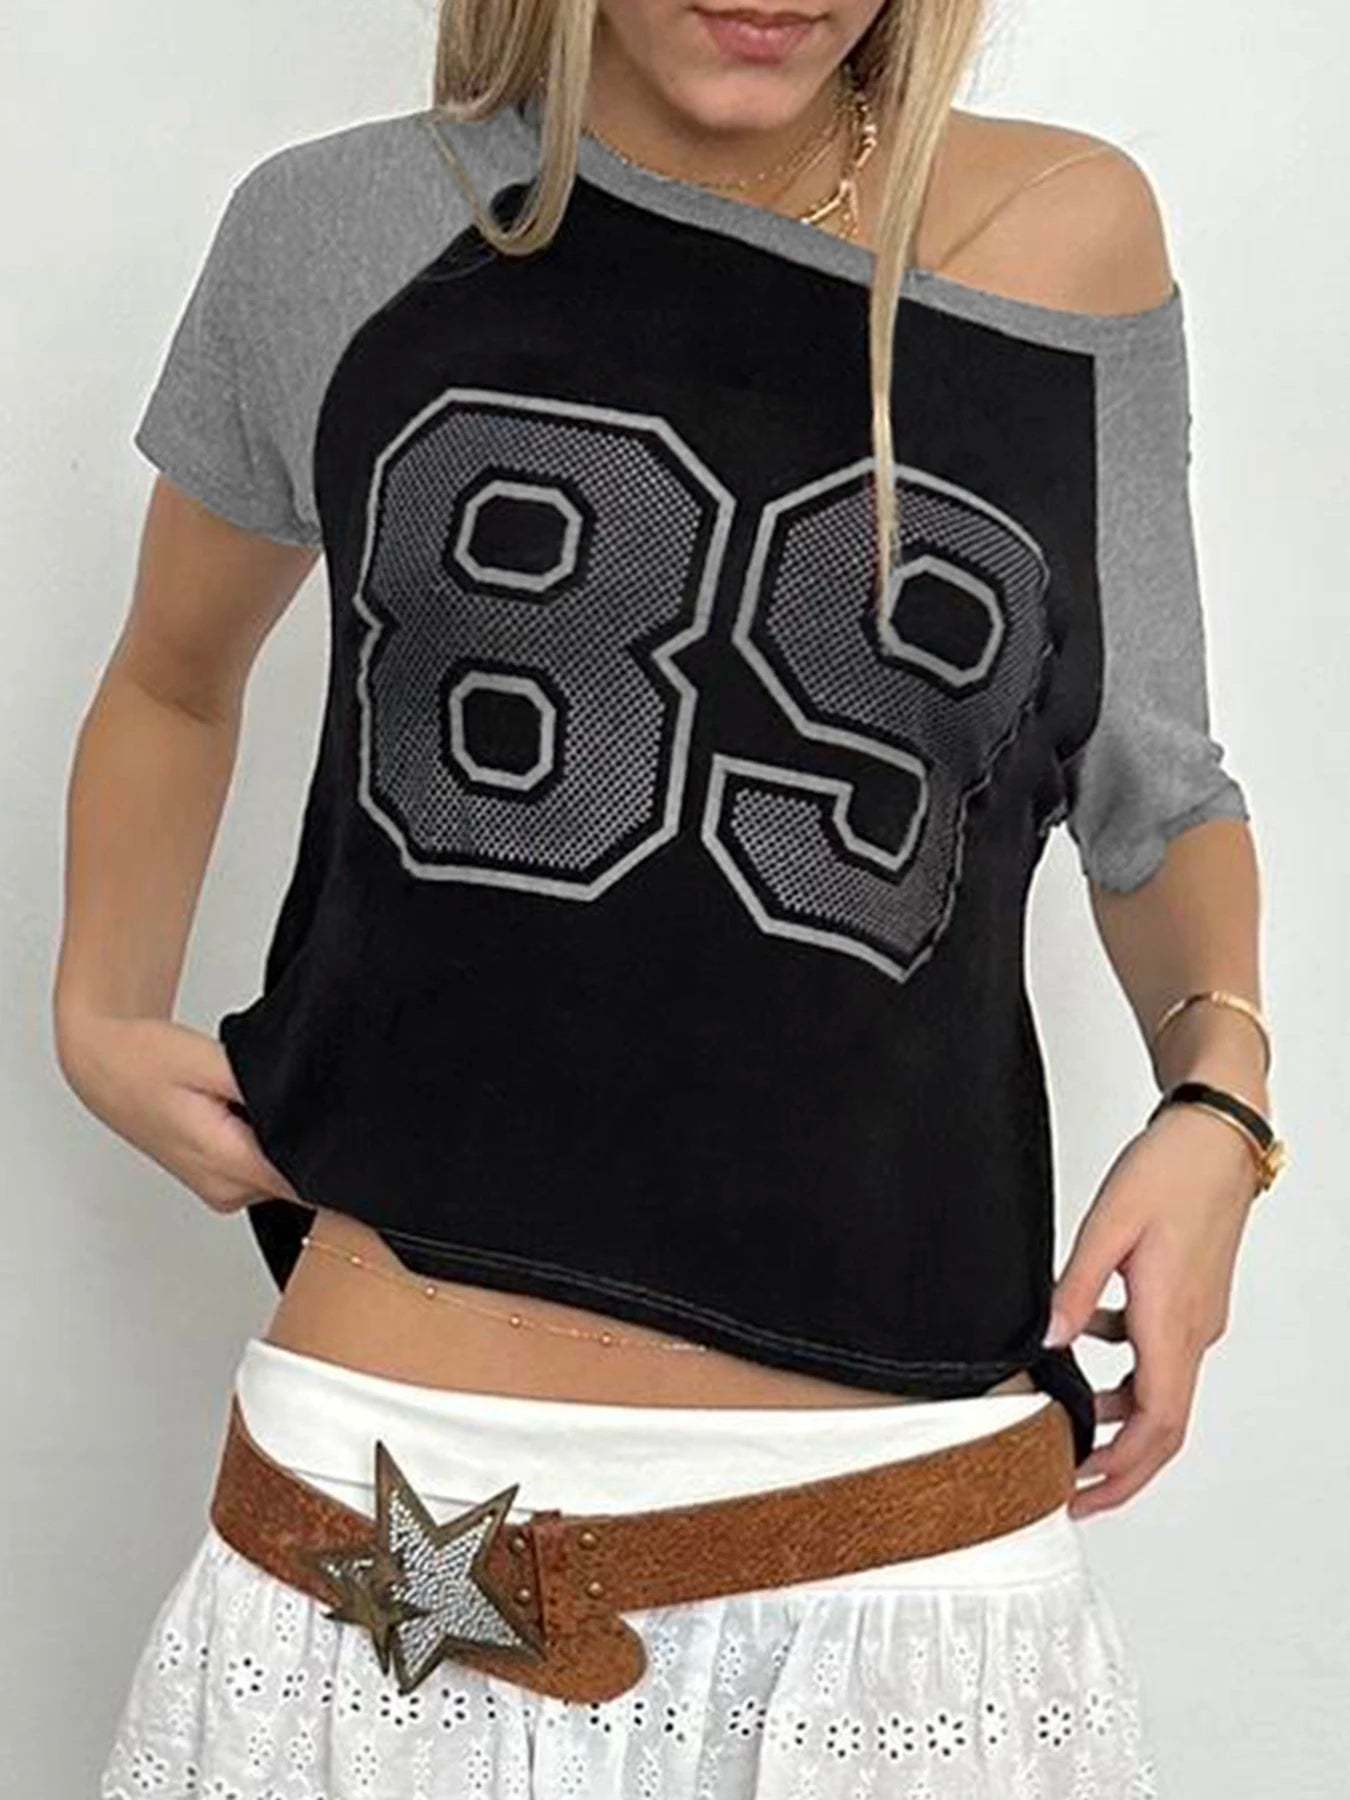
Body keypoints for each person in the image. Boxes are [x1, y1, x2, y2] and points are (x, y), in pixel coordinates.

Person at [58, 2, 1282, 1795]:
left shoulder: (1063, 237)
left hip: (904, 1573)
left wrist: (1217, 1103)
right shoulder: (344, 227)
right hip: (379, 1538)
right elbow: (174, 673)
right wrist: (98, 1009)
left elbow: (1154, 791)